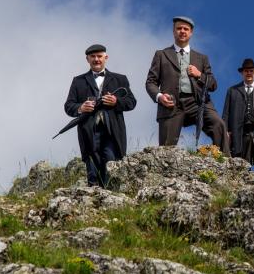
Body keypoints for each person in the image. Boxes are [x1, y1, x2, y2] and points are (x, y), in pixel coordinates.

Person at [145, 16, 229, 153]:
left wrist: (199, 74)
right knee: (166, 149)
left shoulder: (202, 58)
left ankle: (225, 161)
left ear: (191, 33)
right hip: (171, 104)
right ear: (173, 31)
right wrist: (160, 97)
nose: (182, 31)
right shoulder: (161, 54)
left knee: (218, 124)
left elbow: (213, 85)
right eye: (179, 28)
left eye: (186, 29)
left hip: (197, 103)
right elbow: (151, 82)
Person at [64, 44, 137, 187]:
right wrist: (81, 107)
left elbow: (131, 102)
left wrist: (116, 101)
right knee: (92, 168)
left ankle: (110, 194)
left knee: (111, 163)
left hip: (113, 130)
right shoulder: (78, 81)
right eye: (93, 56)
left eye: (99, 56)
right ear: (87, 59)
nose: (96, 59)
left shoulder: (120, 79)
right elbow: (68, 106)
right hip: (88, 131)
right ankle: (93, 195)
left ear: (106, 57)